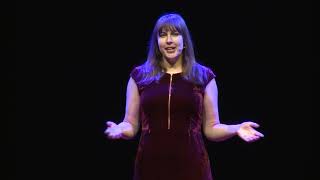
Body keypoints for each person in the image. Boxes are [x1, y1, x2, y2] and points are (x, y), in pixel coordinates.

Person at [104, 13, 264, 180]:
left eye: (175, 34)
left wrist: (236, 128)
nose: (169, 40)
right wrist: (120, 129)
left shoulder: (203, 76)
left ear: (184, 40)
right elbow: (130, 124)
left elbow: (212, 128)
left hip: (192, 166)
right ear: (157, 42)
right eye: (163, 35)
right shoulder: (139, 76)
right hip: (149, 166)